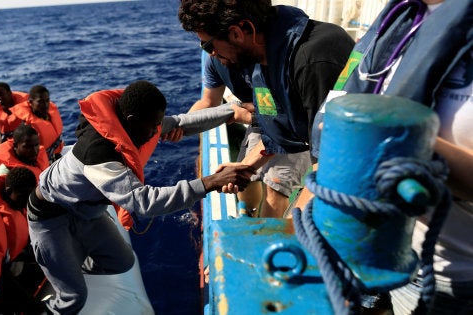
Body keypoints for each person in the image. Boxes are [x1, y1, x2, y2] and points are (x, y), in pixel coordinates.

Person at [28, 80, 254, 313]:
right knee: (75, 297)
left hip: (85, 208)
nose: (158, 130)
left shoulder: (130, 121)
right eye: (154, 125)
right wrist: (210, 182)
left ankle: (69, 261)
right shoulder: (98, 155)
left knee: (122, 261)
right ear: (133, 121)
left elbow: (180, 123)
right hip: (51, 214)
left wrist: (232, 111)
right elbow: (144, 202)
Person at [306, 0, 472, 313]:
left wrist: (391, 142)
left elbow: (361, 135)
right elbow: (335, 143)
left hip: (459, 280)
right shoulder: (400, 19)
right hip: (390, 265)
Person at [178, 0, 355, 217]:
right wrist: (247, 167)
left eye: (208, 45)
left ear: (236, 33)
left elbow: (332, 167)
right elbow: (282, 128)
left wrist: (290, 229)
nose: (211, 54)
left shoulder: (315, 60)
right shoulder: (265, 58)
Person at [10, 85, 64, 163]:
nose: (45, 105)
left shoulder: (48, 116)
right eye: (40, 101)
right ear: (31, 102)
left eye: (47, 100)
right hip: (44, 162)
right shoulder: (27, 126)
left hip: (58, 154)